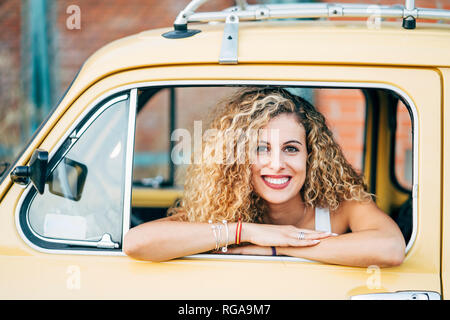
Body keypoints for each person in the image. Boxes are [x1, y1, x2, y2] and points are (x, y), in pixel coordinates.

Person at [124, 87, 406, 267]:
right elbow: (138, 243)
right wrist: (245, 232)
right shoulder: (221, 208)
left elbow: (391, 248)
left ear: (312, 156)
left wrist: (278, 247)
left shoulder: (339, 205)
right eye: (261, 149)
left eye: (291, 149)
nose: (277, 164)